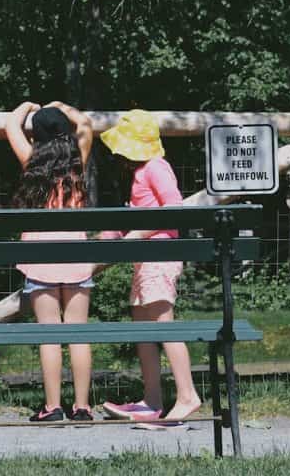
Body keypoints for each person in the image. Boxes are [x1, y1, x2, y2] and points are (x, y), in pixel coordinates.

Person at [98, 110, 201, 429]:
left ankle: (187, 396)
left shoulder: (157, 167)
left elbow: (173, 208)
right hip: (146, 257)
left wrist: (138, 234)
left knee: (162, 323)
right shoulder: (143, 171)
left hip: (159, 256)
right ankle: (152, 400)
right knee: (143, 324)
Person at [6, 100, 95, 424]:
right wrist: (63, 106)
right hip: (76, 260)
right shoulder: (76, 167)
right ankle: (83, 407)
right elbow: (85, 123)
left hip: (41, 261)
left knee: (49, 334)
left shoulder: (32, 163)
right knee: (79, 334)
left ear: (37, 138)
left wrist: (25, 107)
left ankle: (53, 406)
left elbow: (10, 126)